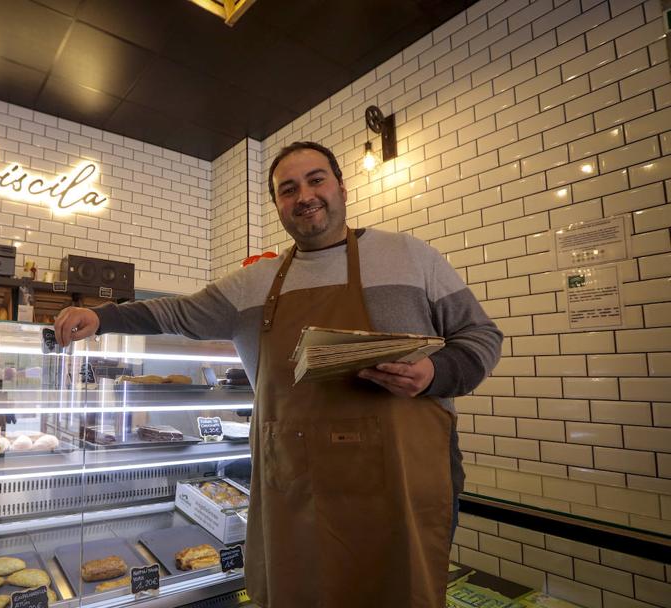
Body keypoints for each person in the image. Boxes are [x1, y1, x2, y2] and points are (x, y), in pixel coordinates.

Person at [55, 141, 502, 607]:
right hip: (298, 493)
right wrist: (103, 317)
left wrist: (434, 372)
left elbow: (481, 336)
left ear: (342, 187)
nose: (304, 196)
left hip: (402, 487)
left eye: (316, 180)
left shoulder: (409, 256)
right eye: (288, 189)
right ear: (277, 205)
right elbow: (177, 313)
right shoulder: (254, 282)